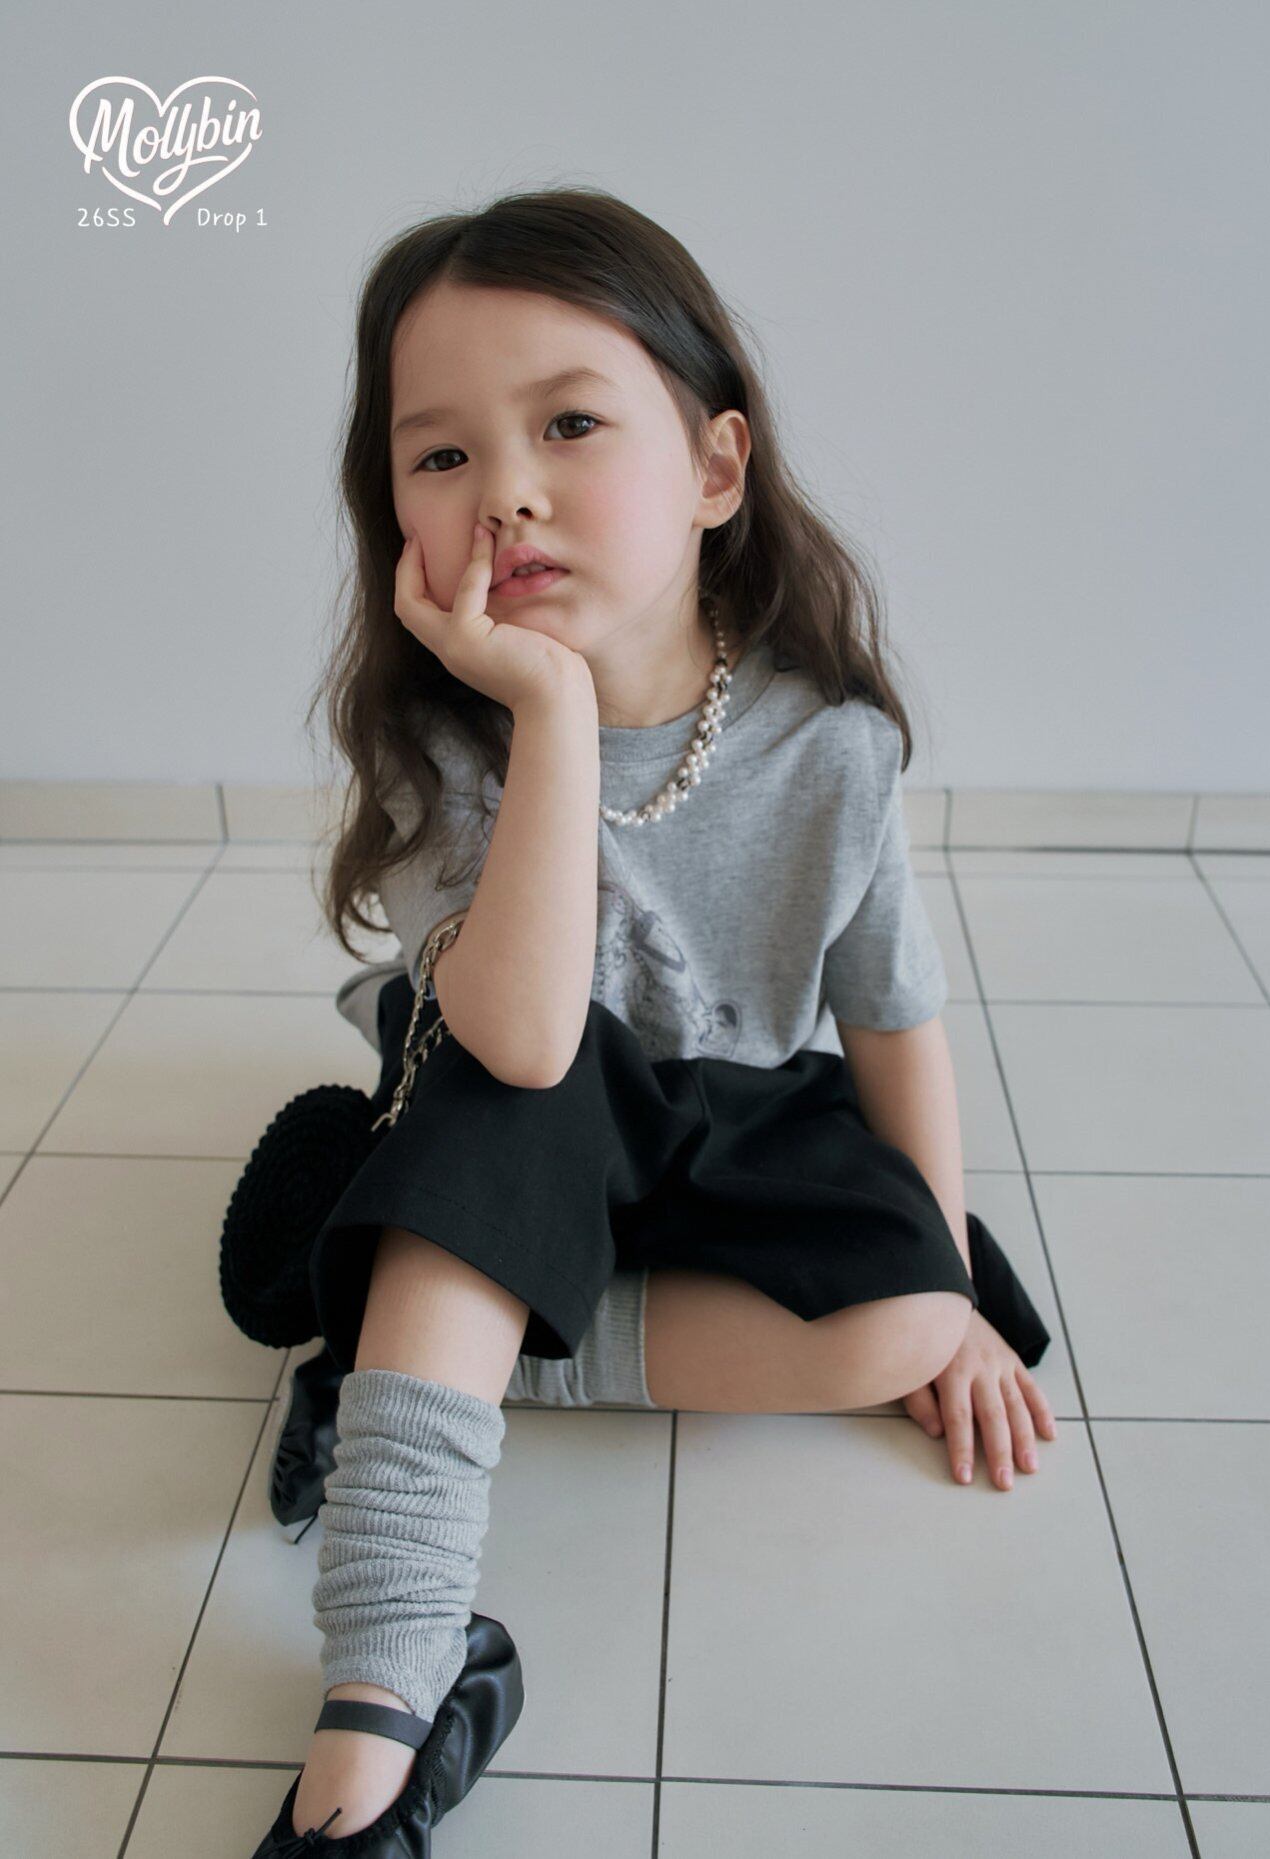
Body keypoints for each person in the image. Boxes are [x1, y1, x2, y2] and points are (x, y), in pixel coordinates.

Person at [271, 184, 1057, 1850]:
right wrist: (549, 710)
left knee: (914, 1318)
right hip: (513, 1111)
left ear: (715, 467)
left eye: (568, 425)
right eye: (442, 455)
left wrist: (957, 1290)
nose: (508, 493)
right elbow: (526, 1045)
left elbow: (892, 1022)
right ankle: (387, 1689)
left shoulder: (830, 746)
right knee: (494, 1104)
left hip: (734, 1119)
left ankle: (418, 1351)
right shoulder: (443, 746)